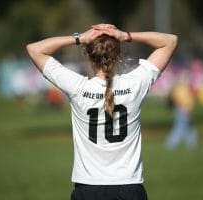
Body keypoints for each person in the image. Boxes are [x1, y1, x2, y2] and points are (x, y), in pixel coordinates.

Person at [26, 24, 177, 200]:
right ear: (119, 56)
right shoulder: (135, 84)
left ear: (88, 56)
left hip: (88, 189)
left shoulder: (77, 87)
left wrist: (80, 38)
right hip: (128, 187)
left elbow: (34, 49)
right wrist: (125, 35)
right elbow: (170, 41)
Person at [164, 72, 198, 150]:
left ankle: (191, 144)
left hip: (187, 110)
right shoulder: (180, 88)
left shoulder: (185, 88)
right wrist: (184, 109)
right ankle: (170, 144)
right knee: (179, 128)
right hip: (182, 111)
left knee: (189, 128)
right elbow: (178, 100)